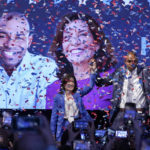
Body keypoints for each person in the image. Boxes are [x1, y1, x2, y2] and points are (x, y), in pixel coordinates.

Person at [46, 12, 116, 110]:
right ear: (61, 47)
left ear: (97, 44)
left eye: (82, 34)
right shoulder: (53, 89)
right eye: (67, 37)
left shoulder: (115, 80)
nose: (75, 42)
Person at [0, 12, 57, 109]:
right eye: (2, 36)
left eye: (19, 37)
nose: (10, 44)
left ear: (29, 41)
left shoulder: (45, 67)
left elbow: (46, 116)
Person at [50, 59, 96, 143]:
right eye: (68, 82)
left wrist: (92, 71)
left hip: (78, 124)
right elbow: (54, 117)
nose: (71, 84)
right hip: (64, 125)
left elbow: (90, 86)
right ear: (63, 84)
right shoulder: (58, 97)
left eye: (73, 82)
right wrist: (52, 134)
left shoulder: (77, 93)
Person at [109, 51, 150, 128]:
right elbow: (103, 81)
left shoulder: (143, 71)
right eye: (129, 61)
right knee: (113, 136)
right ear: (125, 61)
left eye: (135, 61)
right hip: (122, 112)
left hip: (140, 112)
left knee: (139, 136)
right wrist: (93, 72)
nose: (132, 63)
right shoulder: (120, 72)